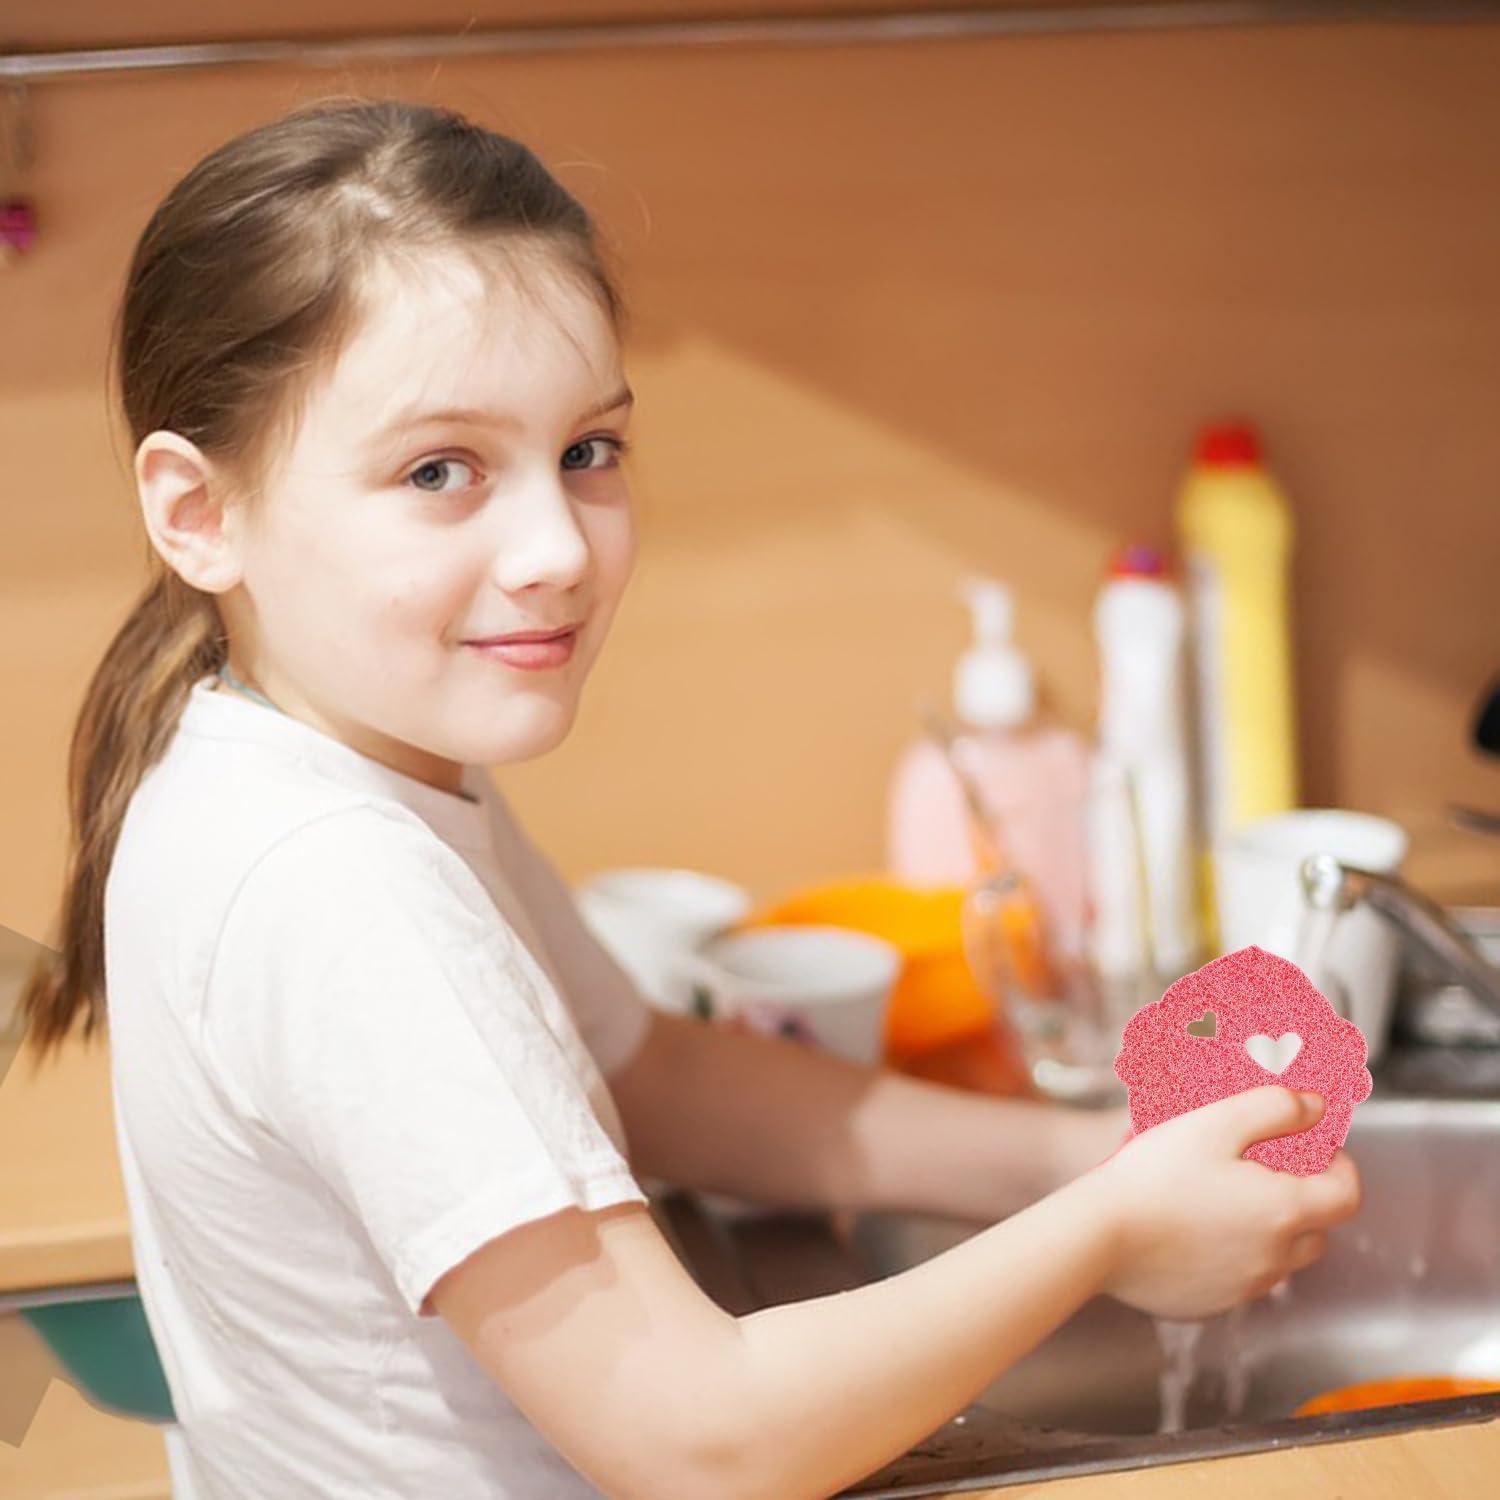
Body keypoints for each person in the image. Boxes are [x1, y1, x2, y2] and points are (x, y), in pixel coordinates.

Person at [20, 97, 1361, 1500]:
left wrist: (1082, 1155)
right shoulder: (337, 883)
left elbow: (647, 1076)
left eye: (587, 451)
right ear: (197, 513)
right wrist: (1107, 1234)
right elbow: (697, 1440)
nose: (554, 548)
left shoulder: (316, 749)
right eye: (439, 470)